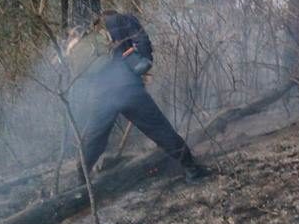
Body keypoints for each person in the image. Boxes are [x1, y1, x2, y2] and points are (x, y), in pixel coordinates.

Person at [67, 9, 210, 184]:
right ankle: (192, 170)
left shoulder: (91, 33)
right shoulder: (125, 19)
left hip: (100, 94)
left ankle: (81, 182)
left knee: (94, 139)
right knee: (159, 128)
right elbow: (142, 41)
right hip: (127, 88)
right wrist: (143, 63)